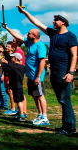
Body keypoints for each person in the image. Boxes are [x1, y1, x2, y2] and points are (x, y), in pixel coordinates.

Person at [18, 7, 77, 135]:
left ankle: (69, 127)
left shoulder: (71, 36)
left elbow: (74, 55)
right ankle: (67, 125)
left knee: (65, 99)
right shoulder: (53, 34)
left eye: (56, 20)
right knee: (62, 100)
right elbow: (37, 23)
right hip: (54, 72)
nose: (53, 21)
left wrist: (71, 72)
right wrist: (25, 12)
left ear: (64, 22)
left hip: (63, 71)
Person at [3, 25, 48, 125]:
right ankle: (40, 115)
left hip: (37, 76)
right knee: (35, 96)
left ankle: (45, 117)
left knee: (40, 96)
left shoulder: (40, 46)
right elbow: (18, 37)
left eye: (29, 33)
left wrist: (38, 76)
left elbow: (42, 62)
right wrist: (8, 29)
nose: (27, 34)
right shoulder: (30, 43)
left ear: (35, 36)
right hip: (30, 75)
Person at [1, 53, 26, 121]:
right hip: (19, 85)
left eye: (12, 57)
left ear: (15, 58)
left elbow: (4, 66)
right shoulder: (22, 66)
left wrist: (3, 62)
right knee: (19, 100)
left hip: (16, 85)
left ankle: (22, 115)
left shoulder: (13, 66)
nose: (11, 58)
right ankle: (22, 113)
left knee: (18, 101)